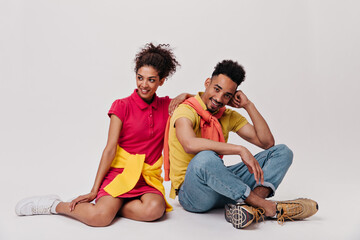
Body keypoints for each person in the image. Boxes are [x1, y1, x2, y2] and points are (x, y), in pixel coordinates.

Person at [15, 43, 192, 227]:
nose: (143, 85)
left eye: (151, 80)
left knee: (154, 210)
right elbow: (110, 148)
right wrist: (94, 190)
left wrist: (186, 95)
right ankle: (55, 205)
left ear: (162, 80)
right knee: (99, 218)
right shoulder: (121, 106)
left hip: (146, 178)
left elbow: (205, 103)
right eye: (140, 78)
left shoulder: (168, 106)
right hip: (120, 173)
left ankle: (113, 207)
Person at [165, 60, 318, 229]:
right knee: (205, 158)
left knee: (282, 152)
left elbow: (267, 143)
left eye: (227, 95)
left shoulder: (228, 115)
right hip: (194, 193)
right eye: (216, 89)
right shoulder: (185, 110)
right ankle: (266, 206)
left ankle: (248, 207)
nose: (219, 98)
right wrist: (239, 149)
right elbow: (189, 143)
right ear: (207, 83)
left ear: (232, 97)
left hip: (224, 186)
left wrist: (247, 105)